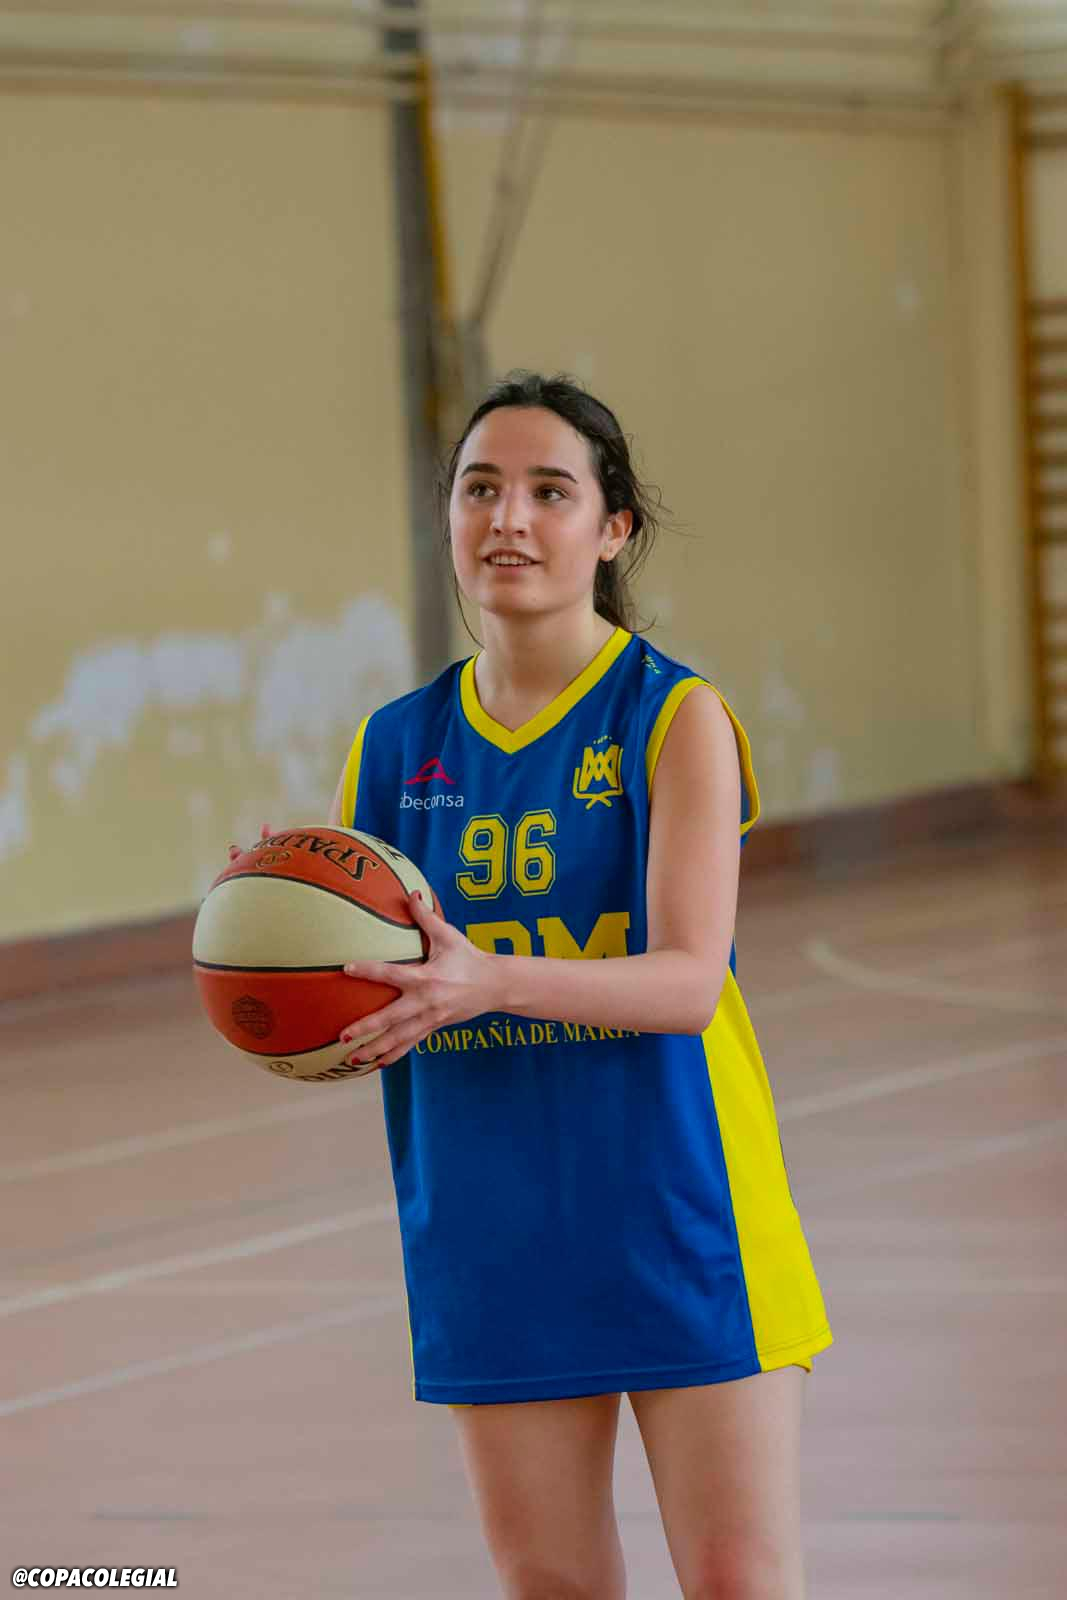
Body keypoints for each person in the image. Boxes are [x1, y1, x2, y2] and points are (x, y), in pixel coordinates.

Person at [322, 373, 831, 1598]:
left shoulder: (671, 716)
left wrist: (487, 978)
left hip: (680, 1202)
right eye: (479, 488)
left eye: (550, 491)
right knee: (550, 1582)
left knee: (736, 1580)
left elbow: (686, 982)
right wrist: (279, 939)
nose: (508, 517)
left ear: (611, 530)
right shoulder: (394, 746)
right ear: (447, 515)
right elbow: (373, 988)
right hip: (487, 1217)